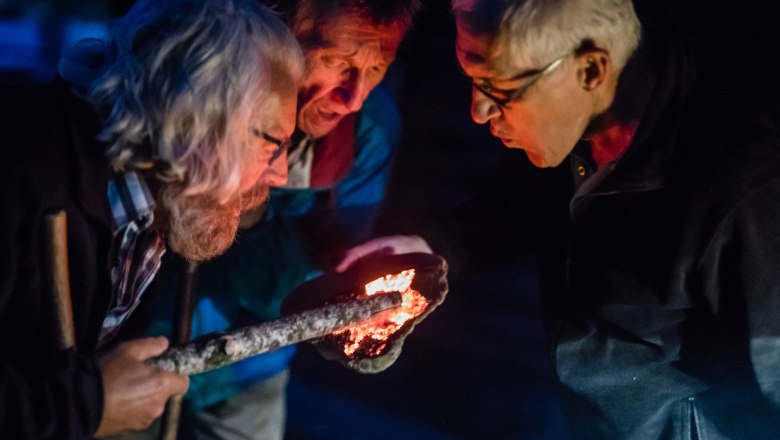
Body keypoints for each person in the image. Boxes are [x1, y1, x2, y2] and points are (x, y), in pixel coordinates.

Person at [452, 0, 780, 438]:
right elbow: (505, 211)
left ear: (590, 71)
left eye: (498, 89)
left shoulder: (740, 192)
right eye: (472, 81)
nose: (479, 111)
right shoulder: (565, 127)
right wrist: (428, 252)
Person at [0, 0, 304, 437]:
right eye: (274, 143)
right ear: (196, 120)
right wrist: (88, 404)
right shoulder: (19, 171)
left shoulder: (154, 208)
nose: (280, 172)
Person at [142, 1, 430, 439]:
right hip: (137, 344)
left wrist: (254, 216)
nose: (353, 98)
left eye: (376, 70)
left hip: (249, 367)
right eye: (337, 61)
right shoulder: (199, 86)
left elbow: (313, 286)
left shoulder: (366, 133)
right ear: (279, 36)